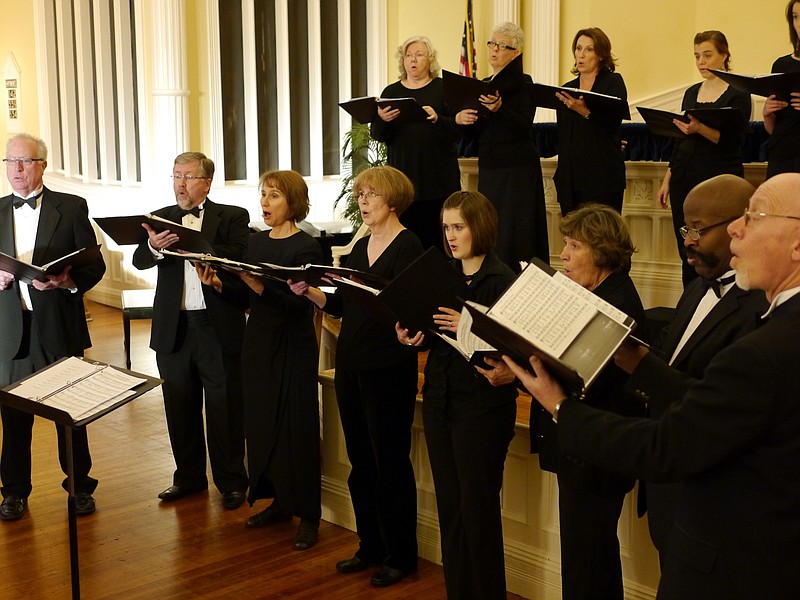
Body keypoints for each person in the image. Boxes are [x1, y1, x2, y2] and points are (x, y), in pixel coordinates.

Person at [505, 173, 800, 599]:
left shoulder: (763, 348)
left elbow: (671, 440)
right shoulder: (710, 297)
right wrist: (634, 357)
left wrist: (560, 406)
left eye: (754, 217)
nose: (739, 228)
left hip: (733, 555)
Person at [479, 204, 647, 600]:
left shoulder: (615, 303)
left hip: (596, 452)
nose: (564, 255)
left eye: (574, 246)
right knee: (591, 559)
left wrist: (519, 372)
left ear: (602, 251)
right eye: (564, 244)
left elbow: (588, 381)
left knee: (586, 563)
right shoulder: (598, 293)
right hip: (587, 448)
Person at [615, 174, 768, 566]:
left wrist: (639, 364)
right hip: (670, 482)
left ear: (739, 225)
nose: (688, 240)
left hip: (712, 495)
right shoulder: (698, 287)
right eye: (686, 228)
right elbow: (671, 363)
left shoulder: (760, 308)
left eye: (698, 229)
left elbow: (716, 405)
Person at [290, 166, 423, 587]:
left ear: (393, 201)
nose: (363, 202)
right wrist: (310, 292)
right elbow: (343, 306)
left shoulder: (409, 246)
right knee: (361, 463)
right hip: (352, 364)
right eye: (360, 195)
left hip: (388, 367)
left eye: (371, 195)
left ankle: (401, 555)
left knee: (390, 464)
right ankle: (370, 546)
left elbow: (411, 311)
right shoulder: (358, 245)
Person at [396, 191, 517, 599]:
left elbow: (514, 350)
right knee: (450, 508)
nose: (450, 236)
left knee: (477, 511)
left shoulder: (503, 280)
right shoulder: (441, 274)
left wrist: (467, 323)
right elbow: (432, 335)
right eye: (446, 227)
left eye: (459, 227)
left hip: (481, 406)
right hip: (439, 399)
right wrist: (412, 337)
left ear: (479, 227)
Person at [198, 170, 323, 551]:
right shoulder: (255, 243)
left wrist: (255, 284)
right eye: (263, 195)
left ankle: (310, 516)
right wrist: (219, 284)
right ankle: (279, 503)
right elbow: (246, 300)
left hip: (293, 344)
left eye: (274, 196)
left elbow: (299, 306)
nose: (265, 203)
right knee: (263, 423)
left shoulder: (307, 247)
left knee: (296, 428)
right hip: (258, 343)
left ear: (294, 203)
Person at [132, 152, 249, 509]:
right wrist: (154, 246)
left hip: (216, 325)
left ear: (207, 183)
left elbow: (239, 255)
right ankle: (188, 478)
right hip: (174, 326)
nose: (181, 184)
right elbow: (138, 258)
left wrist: (196, 247)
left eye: (189, 177)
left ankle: (231, 481)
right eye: (176, 176)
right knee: (179, 405)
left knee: (223, 404)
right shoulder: (160, 218)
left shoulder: (231, 216)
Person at [0, 133, 106, 521]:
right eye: (10, 162)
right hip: (11, 333)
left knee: (70, 415)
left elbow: (95, 267)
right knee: (12, 421)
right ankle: (13, 493)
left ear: (42, 164)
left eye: (25, 161)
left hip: (58, 327)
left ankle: (79, 488)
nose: (17, 169)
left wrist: (66, 282)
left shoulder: (71, 206)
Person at [657, 31, 752, 288]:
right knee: (687, 245)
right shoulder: (691, 93)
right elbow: (680, 140)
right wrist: (668, 178)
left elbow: (734, 141)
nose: (702, 62)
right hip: (684, 178)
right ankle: (691, 301)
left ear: (724, 55)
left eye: (708, 55)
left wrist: (700, 129)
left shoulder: (738, 93)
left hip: (717, 180)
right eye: (697, 56)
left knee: (716, 247)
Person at [456, 22, 549, 271]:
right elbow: (475, 133)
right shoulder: (482, 83)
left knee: (517, 230)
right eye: (491, 44)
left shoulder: (524, 83)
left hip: (517, 169)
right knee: (492, 228)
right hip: (490, 167)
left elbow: (523, 125)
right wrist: (464, 120)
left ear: (515, 53)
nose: (494, 50)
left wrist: (499, 109)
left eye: (501, 46)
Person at [370, 35, 461, 250]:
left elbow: (458, 131)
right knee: (405, 244)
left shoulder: (444, 89)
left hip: (438, 182)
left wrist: (438, 118)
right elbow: (378, 135)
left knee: (437, 243)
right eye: (408, 55)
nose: (413, 60)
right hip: (402, 181)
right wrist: (383, 120)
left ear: (430, 59)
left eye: (419, 55)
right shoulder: (391, 92)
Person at [553, 27, 628, 215]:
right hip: (570, 180)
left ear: (601, 55)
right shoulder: (566, 89)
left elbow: (611, 126)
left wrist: (585, 112)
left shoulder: (612, 83)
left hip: (602, 179)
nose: (582, 55)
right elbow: (564, 135)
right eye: (578, 49)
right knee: (573, 237)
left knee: (602, 239)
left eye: (589, 49)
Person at [762, 1, 800, 178]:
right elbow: (774, 129)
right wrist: (767, 113)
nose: (799, 23)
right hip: (782, 155)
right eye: (795, 17)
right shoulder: (781, 65)